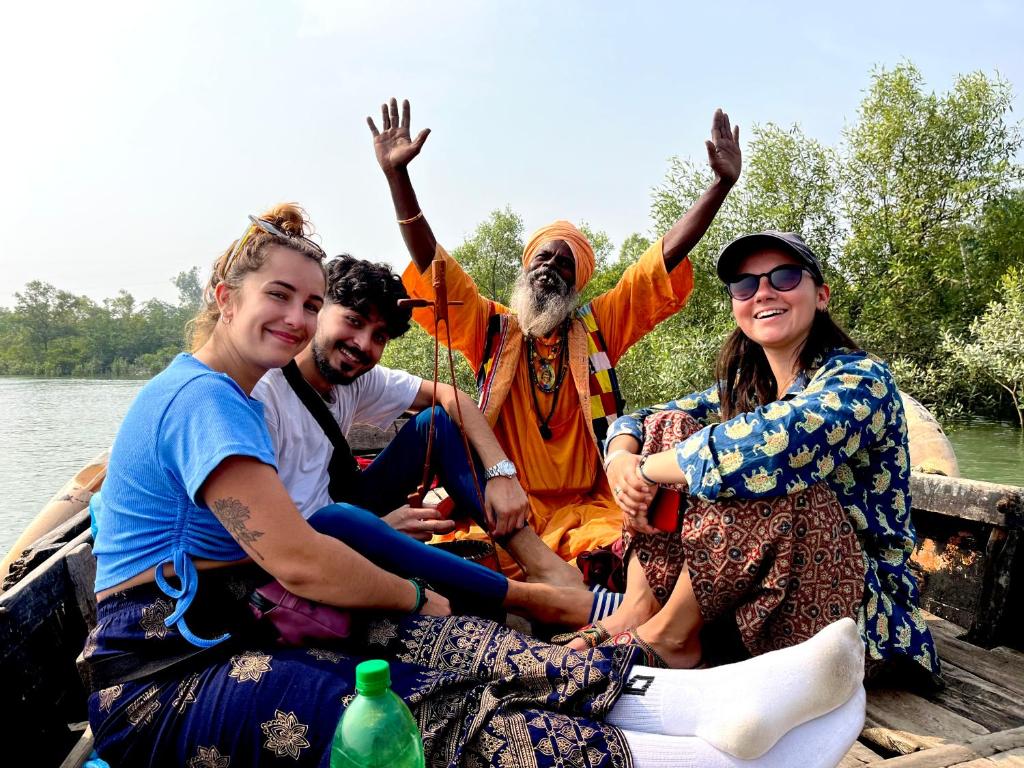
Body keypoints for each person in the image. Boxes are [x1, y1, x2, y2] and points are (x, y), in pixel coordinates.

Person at [84, 206, 868, 768]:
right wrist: (416, 594)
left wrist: (494, 484)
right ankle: (717, 757)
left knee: (464, 646)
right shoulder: (204, 400)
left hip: (257, 620)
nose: (299, 320)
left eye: (311, 303)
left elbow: (645, 279)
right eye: (281, 300)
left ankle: (710, 704)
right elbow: (303, 559)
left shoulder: (244, 396)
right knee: (416, 706)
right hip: (167, 675)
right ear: (225, 297)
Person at [368, 98, 742, 584]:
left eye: (564, 264)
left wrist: (719, 187)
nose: (550, 267)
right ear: (526, 266)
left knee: (622, 548)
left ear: (578, 282)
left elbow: (658, 265)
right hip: (508, 502)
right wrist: (399, 178)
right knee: (464, 553)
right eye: (543, 258)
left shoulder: (599, 326)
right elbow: (433, 267)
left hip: (590, 505)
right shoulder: (490, 328)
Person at [594, 231, 939, 682]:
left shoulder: (861, 379)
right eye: (745, 285)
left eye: (785, 276)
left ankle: (672, 639)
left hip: (856, 614)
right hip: (760, 594)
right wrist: (621, 457)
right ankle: (641, 607)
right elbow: (644, 418)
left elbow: (775, 445)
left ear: (821, 296)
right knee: (669, 428)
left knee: (761, 463)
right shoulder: (744, 389)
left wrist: (648, 470)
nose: (763, 292)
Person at [251, 255, 595, 602]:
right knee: (342, 520)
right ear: (318, 309)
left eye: (379, 336)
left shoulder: (352, 377)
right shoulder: (265, 395)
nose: (363, 344)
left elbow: (450, 397)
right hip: (311, 539)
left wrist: (502, 473)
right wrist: (381, 529)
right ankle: (536, 600)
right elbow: (284, 540)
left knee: (437, 423)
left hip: (343, 509)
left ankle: (540, 564)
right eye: (353, 321)